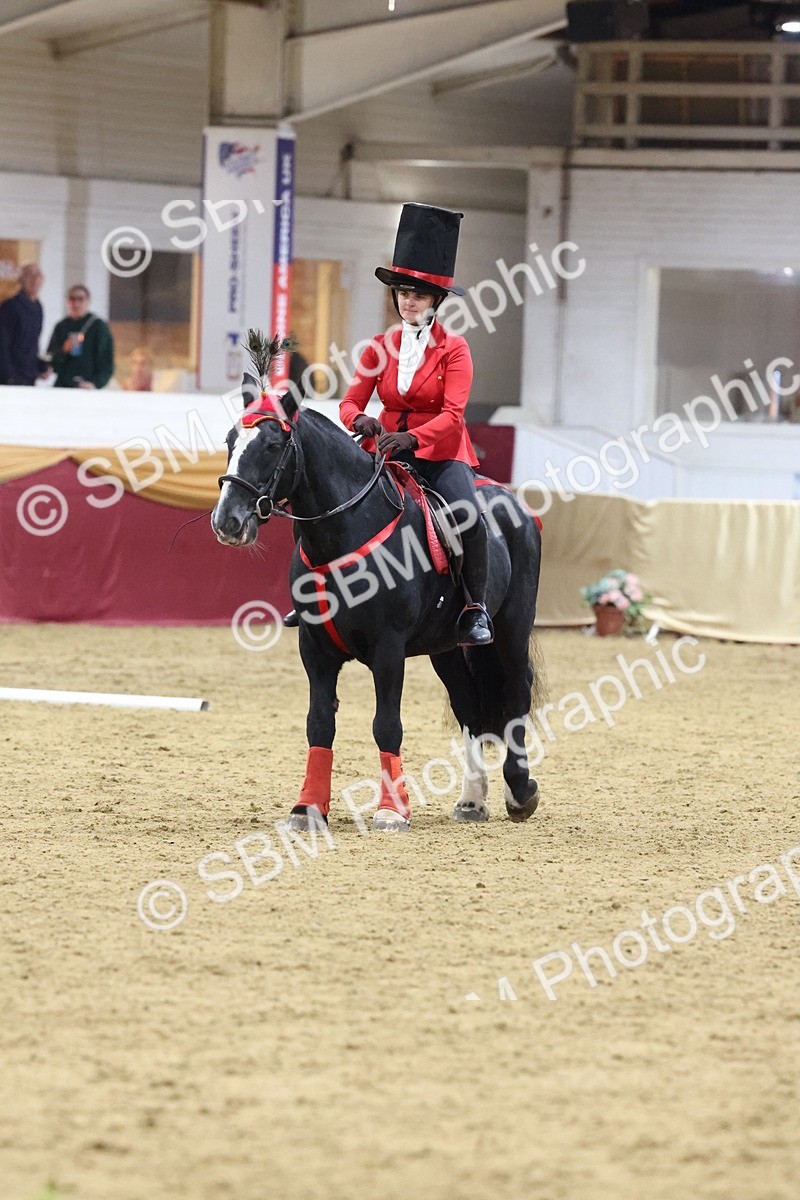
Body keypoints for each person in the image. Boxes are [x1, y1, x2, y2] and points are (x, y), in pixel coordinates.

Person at [339, 202, 493, 647]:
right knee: (332, 504)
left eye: (419, 294)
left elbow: (453, 416)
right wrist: (362, 419)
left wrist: (412, 437)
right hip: (383, 452)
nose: (408, 300)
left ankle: (474, 607)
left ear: (436, 300)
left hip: (440, 455)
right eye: (403, 292)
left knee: (468, 518)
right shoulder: (378, 346)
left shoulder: (455, 349)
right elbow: (349, 402)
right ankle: (319, 593)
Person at [47, 284, 114, 389]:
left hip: (87, 385)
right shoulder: (61, 326)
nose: (76, 304)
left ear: (88, 301)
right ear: (68, 302)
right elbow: (51, 359)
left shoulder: (98, 326)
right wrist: (64, 350)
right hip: (64, 385)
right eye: (72, 299)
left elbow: (107, 361)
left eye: (80, 299)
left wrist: (95, 383)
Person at [0, 263, 50, 386]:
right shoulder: (10, 306)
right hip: (11, 376)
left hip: (29, 375)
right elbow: (2, 343)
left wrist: (40, 367)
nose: (35, 279)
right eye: (30, 275)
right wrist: (8, 375)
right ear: (21, 280)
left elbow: (33, 343)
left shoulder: (38, 307)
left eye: (38, 275)